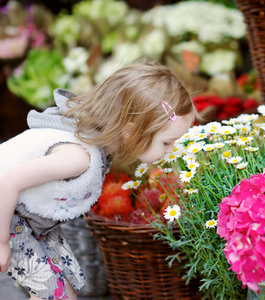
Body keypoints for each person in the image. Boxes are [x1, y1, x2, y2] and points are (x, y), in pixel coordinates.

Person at [0, 61, 196, 300]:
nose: (171, 149)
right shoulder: (77, 157)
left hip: (26, 221)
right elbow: (7, 181)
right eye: (167, 142)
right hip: (8, 218)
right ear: (131, 131)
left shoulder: (98, 146)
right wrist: (2, 244)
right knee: (56, 296)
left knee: (62, 294)